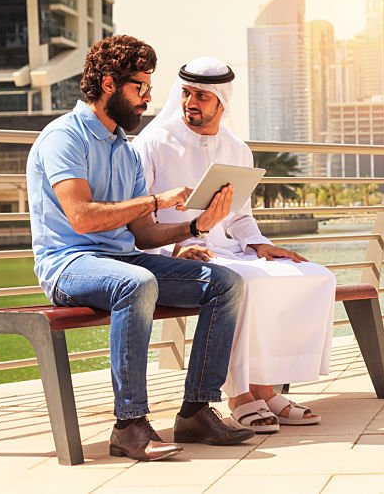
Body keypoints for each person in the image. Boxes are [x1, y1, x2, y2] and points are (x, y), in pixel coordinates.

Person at [26, 36, 254, 462]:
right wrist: (154, 200)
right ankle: (129, 425)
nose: (149, 98)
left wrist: (197, 225)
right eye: (140, 88)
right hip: (69, 265)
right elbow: (83, 217)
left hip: (123, 262)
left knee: (224, 283)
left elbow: (143, 234)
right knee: (137, 283)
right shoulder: (64, 138)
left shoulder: (124, 151)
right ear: (109, 84)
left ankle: (196, 411)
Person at [132, 56, 336, 434]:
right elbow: (140, 217)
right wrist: (173, 250)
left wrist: (261, 245)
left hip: (226, 249)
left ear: (221, 103)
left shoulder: (237, 148)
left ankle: (265, 385)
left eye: (201, 97)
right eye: (186, 93)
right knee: (249, 283)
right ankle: (241, 394)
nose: (190, 102)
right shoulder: (152, 143)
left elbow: (240, 216)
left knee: (312, 275)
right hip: (171, 252)